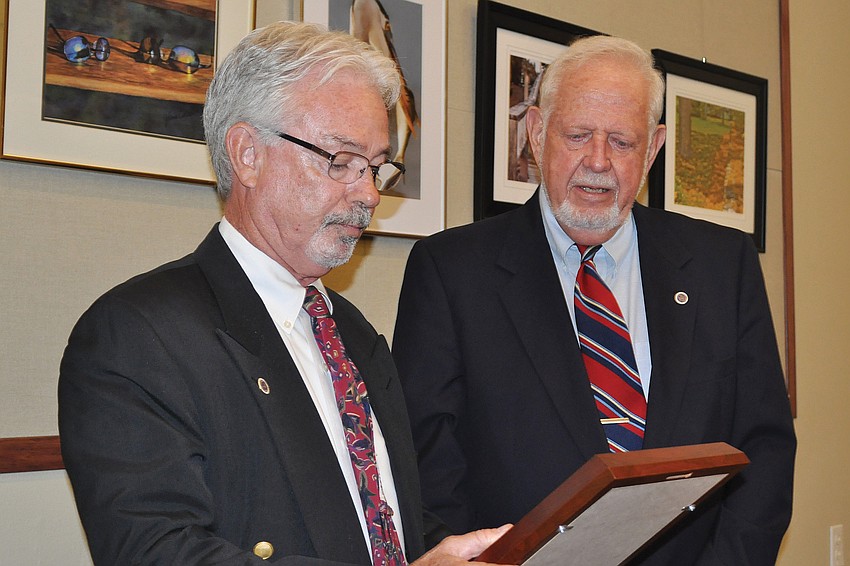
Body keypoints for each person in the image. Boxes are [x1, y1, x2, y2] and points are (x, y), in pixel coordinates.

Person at [58, 21, 509, 565]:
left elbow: (382, 521)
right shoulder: (136, 335)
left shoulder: (355, 335)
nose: (368, 194)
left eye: (375, 167)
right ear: (248, 154)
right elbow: (158, 553)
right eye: (340, 162)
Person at [392, 35, 796, 565]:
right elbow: (425, 465)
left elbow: (764, 446)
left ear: (653, 148)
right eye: (578, 135)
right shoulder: (450, 272)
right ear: (536, 135)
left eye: (622, 142)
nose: (598, 162)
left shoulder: (723, 265)